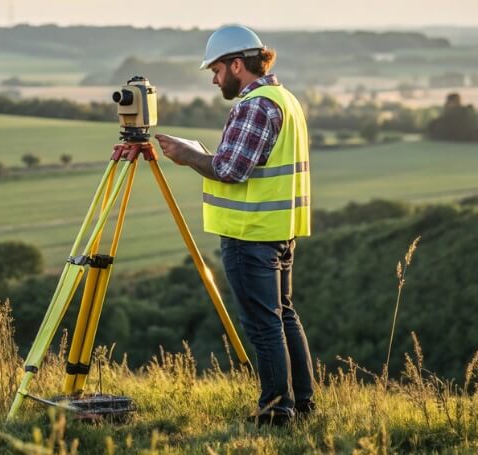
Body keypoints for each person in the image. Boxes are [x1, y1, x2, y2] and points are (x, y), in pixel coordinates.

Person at [154, 24, 315, 426]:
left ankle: (277, 412)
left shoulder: (255, 105)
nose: (213, 78)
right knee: (283, 316)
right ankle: (303, 403)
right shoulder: (285, 99)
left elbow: (229, 169)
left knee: (264, 325)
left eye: (216, 69)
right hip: (278, 230)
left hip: (250, 236)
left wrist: (187, 155)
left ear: (237, 64)